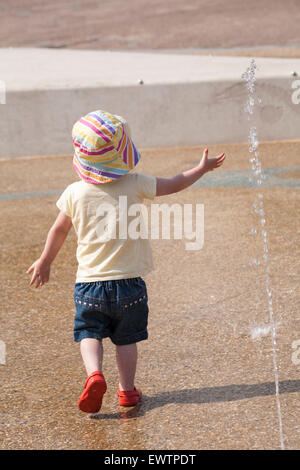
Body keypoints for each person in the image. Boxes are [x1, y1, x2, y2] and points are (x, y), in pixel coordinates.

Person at [26, 109, 226, 414]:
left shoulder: (75, 192)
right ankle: (127, 391)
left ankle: (94, 373)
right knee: (126, 340)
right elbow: (173, 184)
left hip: (89, 286)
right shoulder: (135, 183)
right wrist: (200, 169)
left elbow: (59, 229)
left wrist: (44, 261)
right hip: (129, 285)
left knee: (89, 333)